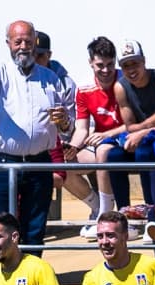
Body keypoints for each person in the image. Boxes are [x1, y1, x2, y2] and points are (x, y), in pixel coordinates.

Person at [0, 20, 74, 253]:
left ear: (35, 42)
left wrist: (64, 121)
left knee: (34, 229)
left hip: (39, 163)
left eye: (28, 41)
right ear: (8, 44)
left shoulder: (51, 78)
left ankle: (32, 279)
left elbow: (67, 127)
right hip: (4, 163)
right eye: (18, 41)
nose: (23, 46)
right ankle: (1, 283)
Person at [64, 36, 135, 239]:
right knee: (61, 164)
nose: (105, 70)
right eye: (99, 65)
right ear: (90, 63)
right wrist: (72, 147)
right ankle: (98, 210)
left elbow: (135, 122)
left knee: (104, 150)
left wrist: (107, 134)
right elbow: (82, 129)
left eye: (110, 64)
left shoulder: (126, 82)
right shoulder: (84, 89)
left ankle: (107, 218)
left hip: (128, 140)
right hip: (102, 141)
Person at [110, 39, 155, 243]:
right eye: (126, 65)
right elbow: (130, 126)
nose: (131, 70)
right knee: (113, 156)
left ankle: (152, 216)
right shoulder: (121, 87)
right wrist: (150, 123)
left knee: (144, 152)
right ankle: (123, 218)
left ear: (144, 61)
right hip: (141, 134)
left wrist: (145, 131)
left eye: (135, 63)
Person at [33, 31, 101, 227]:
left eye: (41, 55)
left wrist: (63, 123)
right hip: (30, 145)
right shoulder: (18, 79)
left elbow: (75, 128)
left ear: (49, 55)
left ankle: (98, 209)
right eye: (33, 55)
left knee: (64, 167)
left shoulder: (65, 83)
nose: (36, 60)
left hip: (60, 145)